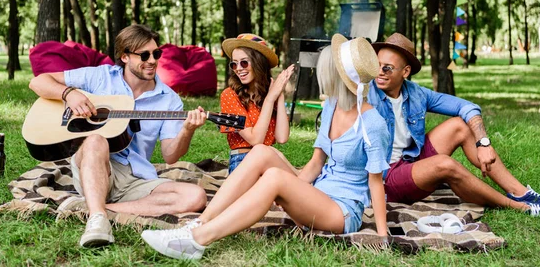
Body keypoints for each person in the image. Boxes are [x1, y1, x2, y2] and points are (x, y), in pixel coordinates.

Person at [141, 34, 391, 260]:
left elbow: (375, 182)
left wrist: (382, 236)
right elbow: (316, 163)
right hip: (318, 193)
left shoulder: (373, 124)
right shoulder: (331, 107)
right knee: (261, 152)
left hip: (342, 211)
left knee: (274, 178)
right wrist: (296, 194)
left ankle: (198, 240)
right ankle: (198, 224)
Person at [28, 24, 208, 248]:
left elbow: (170, 156)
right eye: (144, 55)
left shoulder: (169, 100)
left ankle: (93, 209)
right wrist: (69, 94)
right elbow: (38, 81)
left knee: (196, 197)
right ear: (124, 57)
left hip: (137, 178)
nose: (152, 60)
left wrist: (187, 129)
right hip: (95, 164)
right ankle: (97, 223)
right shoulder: (100, 77)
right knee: (96, 139)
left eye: (156, 53)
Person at [368, 32, 540, 216]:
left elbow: (467, 107)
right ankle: (522, 208)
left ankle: (520, 193)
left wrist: (483, 143)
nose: (380, 72)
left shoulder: (416, 93)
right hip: (385, 177)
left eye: (387, 68)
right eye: (376, 65)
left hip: (410, 160)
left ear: (405, 72)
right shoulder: (366, 94)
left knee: (460, 126)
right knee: (445, 165)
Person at [219, 33, 294, 173]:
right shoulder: (229, 95)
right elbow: (255, 139)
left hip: (270, 162)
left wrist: (280, 94)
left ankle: (302, 179)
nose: (238, 68)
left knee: (274, 159)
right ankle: (302, 178)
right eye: (234, 64)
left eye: (244, 62)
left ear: (258, 63)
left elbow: (282, 137)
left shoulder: (268, 93)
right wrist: (270, 99)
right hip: (243, 162)